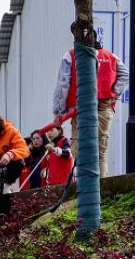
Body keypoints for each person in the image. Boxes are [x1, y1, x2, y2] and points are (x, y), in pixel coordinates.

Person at [52, 40, 129, 178]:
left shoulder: (71, 55)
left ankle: (85, 191)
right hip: (103, 109)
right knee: (100, 152)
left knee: (80, 149)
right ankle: (102, 190)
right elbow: (124, 75)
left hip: (80, 109)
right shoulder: (111, 57)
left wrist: (58, 112)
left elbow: (63, 84)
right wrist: (112, 97)